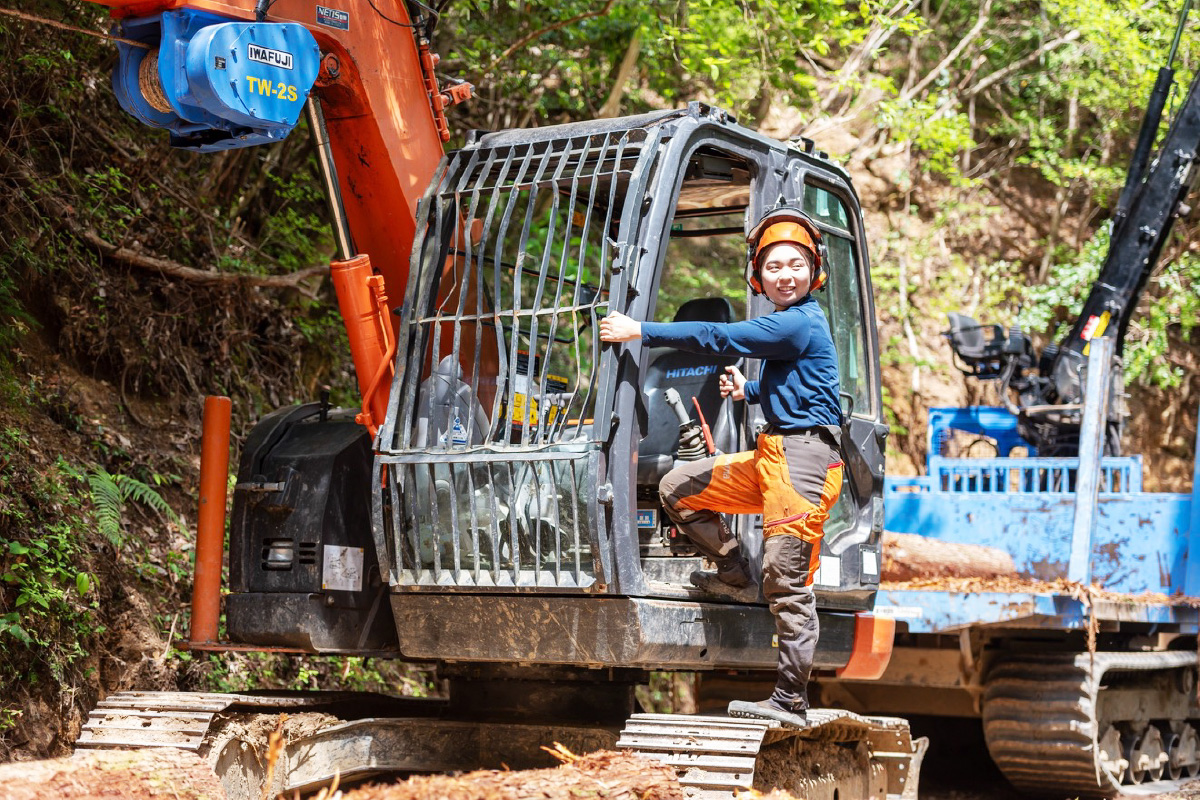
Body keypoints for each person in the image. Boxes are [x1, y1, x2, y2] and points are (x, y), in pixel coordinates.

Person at [598, 206, 844, 728]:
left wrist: (640, 329)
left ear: (813, 270)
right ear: (759, 276)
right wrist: (749, 389)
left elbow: (719, 337)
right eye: (774, 266)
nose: (785, 275)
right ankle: (734, 571)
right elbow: (801, 387)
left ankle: (790, 701)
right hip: (772, 454)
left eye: (795, 265)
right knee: (680, 487)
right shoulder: (792, 327)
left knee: (787, 579)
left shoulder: (799, 320)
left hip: (803, 460)